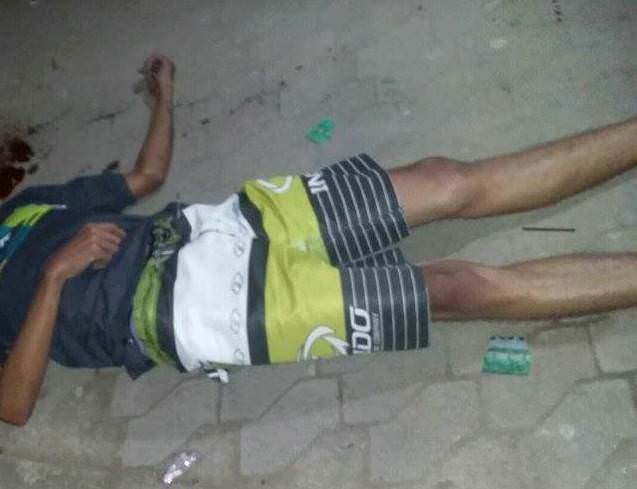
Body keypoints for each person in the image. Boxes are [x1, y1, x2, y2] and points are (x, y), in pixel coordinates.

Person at [1, 55, 637, 426]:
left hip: (218, 226)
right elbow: (14, 406)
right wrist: (54, 276)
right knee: (454, 288)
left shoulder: (24, 206)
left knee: (445, 180)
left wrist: (162, 98)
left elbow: (145, 178)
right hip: (200, 314)